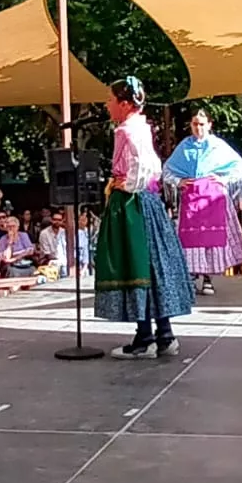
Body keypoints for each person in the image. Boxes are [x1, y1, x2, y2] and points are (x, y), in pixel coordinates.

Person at [95, 78, 197, 360]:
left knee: (136, 264)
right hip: (147, 201)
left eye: (111, 99)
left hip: (133, 203)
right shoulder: (140, 126)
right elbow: (153, 165)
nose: (107, 105)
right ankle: (163, 335)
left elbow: (143, 165)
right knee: (151, 265)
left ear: (124, 103)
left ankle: (145, 339)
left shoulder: (127, 129)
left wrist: (126, 185)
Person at [162, 109, 242, 296]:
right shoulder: (184, 146)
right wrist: (179, 181)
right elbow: (168, 169)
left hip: (214, 199)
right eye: (195, 124)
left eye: (202, 124)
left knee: (212, 240)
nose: (198, 128)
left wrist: (223, 180)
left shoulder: (218, 146)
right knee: (191, 240)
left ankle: (208, 278)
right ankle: (191, 277)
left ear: (209, 125)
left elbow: (239, 166)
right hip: (192, 199)